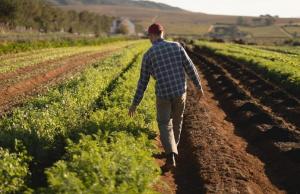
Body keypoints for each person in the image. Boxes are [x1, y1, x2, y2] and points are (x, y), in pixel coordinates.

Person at [128, 23, 203, 169]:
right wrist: (198, 86)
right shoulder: (176, 46)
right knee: (178, 120)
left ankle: (170, 156)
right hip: (180, 91)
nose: (149, 38)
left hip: (163, 94)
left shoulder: (148, 55)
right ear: (163, 33)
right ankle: (174, 149)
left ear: (152, 35)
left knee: (164, 123)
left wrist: (135, 104)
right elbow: (190, 67)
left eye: (149, 36)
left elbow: (143, 82)